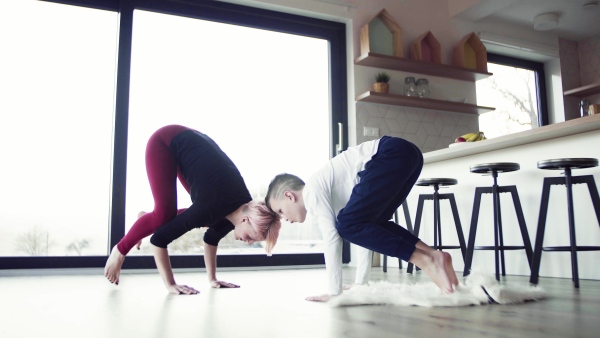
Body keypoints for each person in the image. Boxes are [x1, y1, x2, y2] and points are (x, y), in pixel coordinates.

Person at [265, 136, 458, 301]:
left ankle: (424, 260)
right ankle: (434, 255)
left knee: (346, 225)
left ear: (289, 196)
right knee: (368, 225)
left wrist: (334, 293)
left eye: (280, 211)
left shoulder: (312, 192)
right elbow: (364, 234)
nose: (284, 219)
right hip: (409, 154)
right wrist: (361, 283)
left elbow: (332, 238)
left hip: (390, 153)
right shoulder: (328, 192)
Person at [104, 125, 281, 294]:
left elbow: (211, 239)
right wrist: (171, 284)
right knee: (165, 216)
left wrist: (213, 280)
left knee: (203, 221)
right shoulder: (210, 207)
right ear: (245, 220)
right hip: (166, 141)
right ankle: (119, 251)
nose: (249, 242)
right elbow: (158, 240)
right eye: (251, 237)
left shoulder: (240, 210)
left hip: (196, 147)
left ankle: (147, 220)